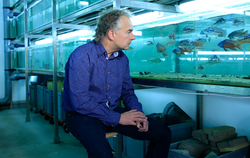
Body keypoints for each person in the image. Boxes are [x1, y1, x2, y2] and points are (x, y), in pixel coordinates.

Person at [61, 9, 171, 158]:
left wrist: (139, 115)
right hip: (81, 114)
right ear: (111, 34)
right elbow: (80, 101)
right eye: (129, 32)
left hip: (110, 110)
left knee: (163, 133)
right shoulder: (81, 56)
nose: (133, 37)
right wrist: (119, 118)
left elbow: (127, 92)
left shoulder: (122, 59)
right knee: (102, 153)